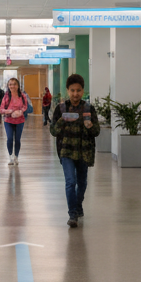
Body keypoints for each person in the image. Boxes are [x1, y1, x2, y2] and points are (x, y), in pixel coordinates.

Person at [49, 73, 100, 228]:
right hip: (66, 152)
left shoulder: (88, 108)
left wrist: (91, 126)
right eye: (72, 90)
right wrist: (61, 120)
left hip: (84, 152)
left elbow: (97, 131)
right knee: (70, 182)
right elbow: (53, 131)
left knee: (82, 183)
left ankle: (78, 206)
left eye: (78, 90)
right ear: (68, 91)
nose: (75, 94)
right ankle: (72, 214)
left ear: (83, 91)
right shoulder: (61, 108)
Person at [0, 77, 31, 166]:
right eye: (10, 84)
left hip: (20, 121)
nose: (12, 86)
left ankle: (16, 157)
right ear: (8, 86)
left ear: (18, 85)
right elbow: (1, 109)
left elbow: (25, 106)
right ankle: (10, 157)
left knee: (17, 139)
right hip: (8, 120)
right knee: (10, 138)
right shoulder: (6, 96)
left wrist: (20, 111)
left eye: (14, 84)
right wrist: (9, 111)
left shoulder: (22, 96)